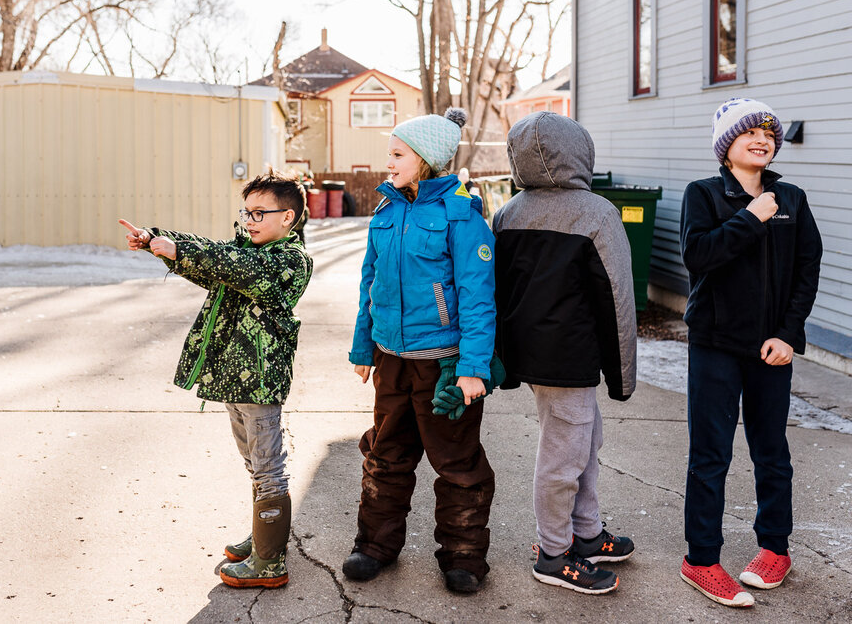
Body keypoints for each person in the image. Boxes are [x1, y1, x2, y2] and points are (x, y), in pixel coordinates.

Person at [119, 170, 313, 589]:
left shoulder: (289, 261)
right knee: (253, 463)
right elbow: (211, 260)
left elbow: (234, 266)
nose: (250, 220)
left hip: (259, 379)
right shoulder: (247, 250)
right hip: (233, 376)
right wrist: (160, 241)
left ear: (289, 218)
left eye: (261, 213)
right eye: (246, 211)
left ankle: (271, 562)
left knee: (268, 468)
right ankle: (265, 536)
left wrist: (173, 247)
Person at [345, 108, 499, 594]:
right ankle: (375, 545)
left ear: (426, 159)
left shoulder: (460, 214)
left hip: (444, 366)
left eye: (397, 154)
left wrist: (473, 367)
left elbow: (478, 296)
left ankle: (464, 556)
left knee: (457, 464)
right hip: (392, 361)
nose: (387, 163)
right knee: (385, 455)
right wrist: (363, 347)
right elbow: (370, 282)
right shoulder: (385, 211)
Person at [678, 98, 822, 608]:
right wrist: (752, 217)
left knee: (771, 451)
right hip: (716, 344)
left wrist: (788, 334)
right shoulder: (704, 194)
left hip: (770, 349)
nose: (761, 140)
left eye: (768, 133)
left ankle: (774, 550)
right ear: (727, 146)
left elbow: (807, 270)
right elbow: (699, 256)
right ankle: (701, 560)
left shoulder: (793, 198)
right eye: (749, 133)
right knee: (710, 455)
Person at [493, 112, 637, 595]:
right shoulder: (597, 212)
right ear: (580, 153)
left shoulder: (509, 212)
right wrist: (623, 377)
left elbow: (493, 290)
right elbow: (617, 298)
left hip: (536, 357)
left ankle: (587, 532)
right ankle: (554, 553)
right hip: (570, 359)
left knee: (583, 442)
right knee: (564, 454)